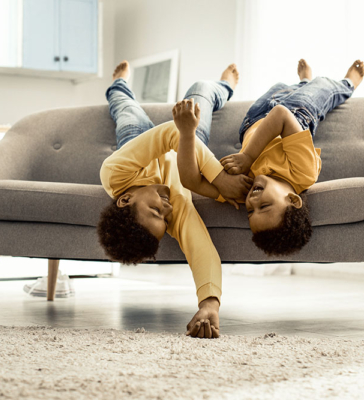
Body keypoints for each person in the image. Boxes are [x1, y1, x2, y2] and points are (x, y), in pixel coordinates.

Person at [97, 60, 253, 339]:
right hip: (188, 148)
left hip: (138, 140)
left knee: (125, 107)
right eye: (165, 217)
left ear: (125, 200)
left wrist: (220, 180)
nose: (168, 207)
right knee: (200, 91)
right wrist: (210, 305)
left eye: (155, 210)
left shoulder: (114, 172)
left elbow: (170, 132)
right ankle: (222, 85)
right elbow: (201, 249)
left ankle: (118, 84)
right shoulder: (174, 208)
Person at [216, 59, 364, 255]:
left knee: (280, 87)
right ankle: (348, 83)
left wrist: (221, 183)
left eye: (250, 212)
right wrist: (247, 157)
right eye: (265, 206)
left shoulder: (246, 187)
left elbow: (201, 181)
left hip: (253, 119)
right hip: (297, 111)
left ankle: (303, 81)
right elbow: (280, 115)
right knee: (323, 86)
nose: (252, 202)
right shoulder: (302, 172)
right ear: (293, 200)